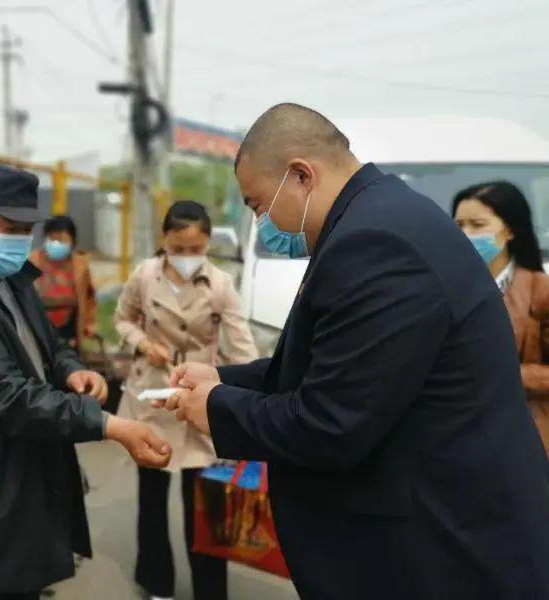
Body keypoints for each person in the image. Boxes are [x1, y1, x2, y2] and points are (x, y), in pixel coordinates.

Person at [158, 103, 549, 598]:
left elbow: (329, 424)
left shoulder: (375, 243)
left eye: (257, 205)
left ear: (300, 175)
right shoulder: (382, 216)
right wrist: (224, 378)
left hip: (440, 554)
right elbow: (339, 366)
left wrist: (214, 406)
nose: (261, 221)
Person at [0, 162, 171, 600]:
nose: (20, 239)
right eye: (8, 226)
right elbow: (1, 395)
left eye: (27, 229)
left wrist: (69, 369)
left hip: (19, 482)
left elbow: (44, 345)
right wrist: (109, 425)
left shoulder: (11, 277)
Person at [115, 200, 258, 600]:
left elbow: (243, 347)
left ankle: (209, 591)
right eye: (178, 249)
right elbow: (122, 319)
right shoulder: (144, 276)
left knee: (206, 506)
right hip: (151, 397)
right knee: (152, 499)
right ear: (165, 241)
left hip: (198, 399)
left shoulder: (220, 284)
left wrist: (242, 396)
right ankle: (156, 584)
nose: (186, 258)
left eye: (195, 250)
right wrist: (144, 342)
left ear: (208, 243)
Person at [454, 181, 549, 456]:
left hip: (524, 438)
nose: (466, 234)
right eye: (459, 225)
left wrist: (504, 374)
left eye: (477, 224)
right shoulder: (442, 286)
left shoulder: (540, 291)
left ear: (509, 230)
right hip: (458, 437)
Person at [29, 215, 97, 348]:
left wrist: (89, 323)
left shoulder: (80, 266)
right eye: (53, 238)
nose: (56, 243)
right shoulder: (33, 261)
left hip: (69, 329)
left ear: (72, 240)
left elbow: (89, 297)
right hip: (38, 328)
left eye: (61, 239)